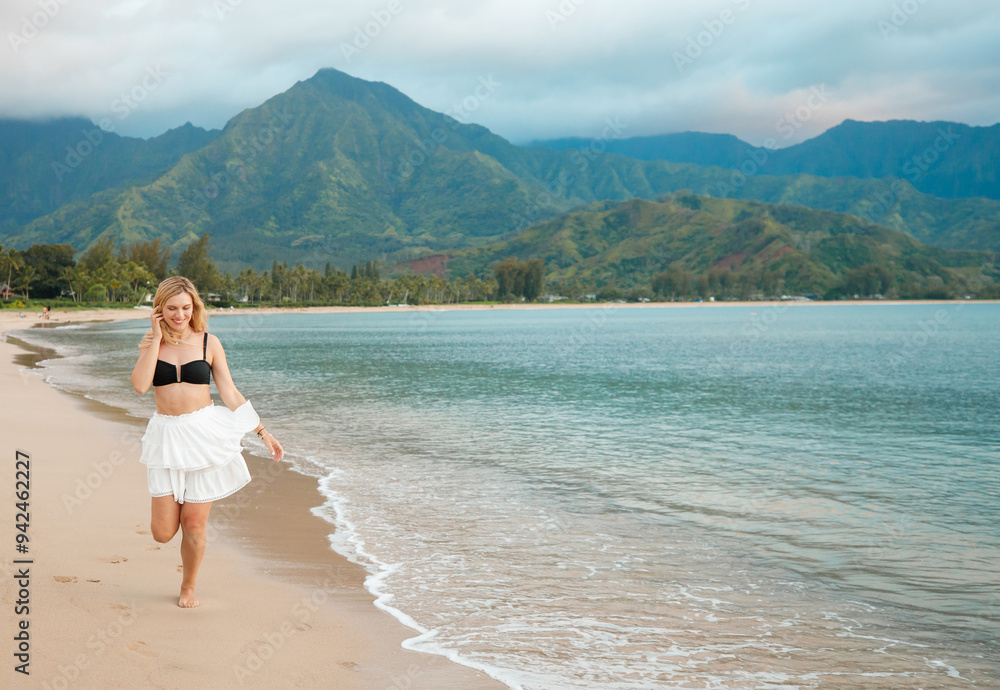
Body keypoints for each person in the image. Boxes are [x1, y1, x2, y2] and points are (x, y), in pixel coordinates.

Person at [130, 276, 284, 608]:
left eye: (186, 308)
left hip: (204, 436)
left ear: (194, 307)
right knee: (162, 533)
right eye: (172, 308)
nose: (179, 315)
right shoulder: (151, 343)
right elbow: (141, 385)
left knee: (194, 523)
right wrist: (155, 339)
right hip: (166, 438)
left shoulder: (208, 343)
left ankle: (188, 586)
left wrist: (262, 431)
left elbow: (230, 392)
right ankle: (184, 570)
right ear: (159, 309)